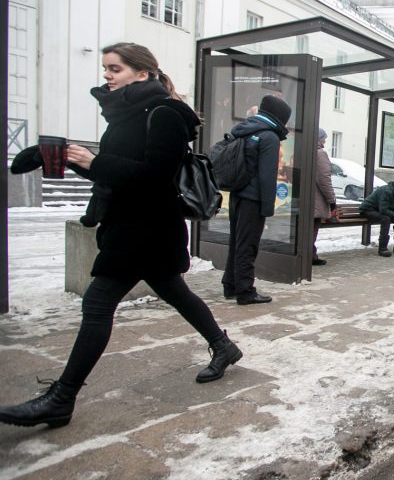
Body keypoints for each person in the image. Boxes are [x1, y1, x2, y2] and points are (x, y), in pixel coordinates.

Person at [0, 42, 241, 429]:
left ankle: (62, 399)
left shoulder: (165, 114)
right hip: (129, 225)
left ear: (142, 73)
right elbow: (115, 172)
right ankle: (223, 346)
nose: (107, 76)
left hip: (147, 229)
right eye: (106, 70)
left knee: (97, 305)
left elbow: (153, 179)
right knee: (176, 293)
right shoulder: (125, 116)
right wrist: (70, 159)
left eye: (115, 69)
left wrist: (92, 160)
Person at [221, 94, 292, 305]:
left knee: (237, 241)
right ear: (280, 117)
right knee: (248, 245)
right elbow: (267, 176)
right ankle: (245, 291)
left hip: (237, 195)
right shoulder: (269, 137)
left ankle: (230, 285)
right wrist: (267, 207)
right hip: (253, 199)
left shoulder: (245, 131)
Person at [359, 179, 394, 257]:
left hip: (378, 210)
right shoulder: (386, 192)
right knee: (385, 219)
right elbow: (383, 210)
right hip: (368, 210)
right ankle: (382, 248)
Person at [311, 127, 337, 266]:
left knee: (306, 231)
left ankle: (311, 255)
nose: (324, 143)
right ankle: (310, 257)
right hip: (316, 201)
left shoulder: (305, 151)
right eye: (323, 140)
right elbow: (324, 180)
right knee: (312, 231)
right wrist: (332, 201)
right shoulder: (320, 154)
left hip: (305, 201)